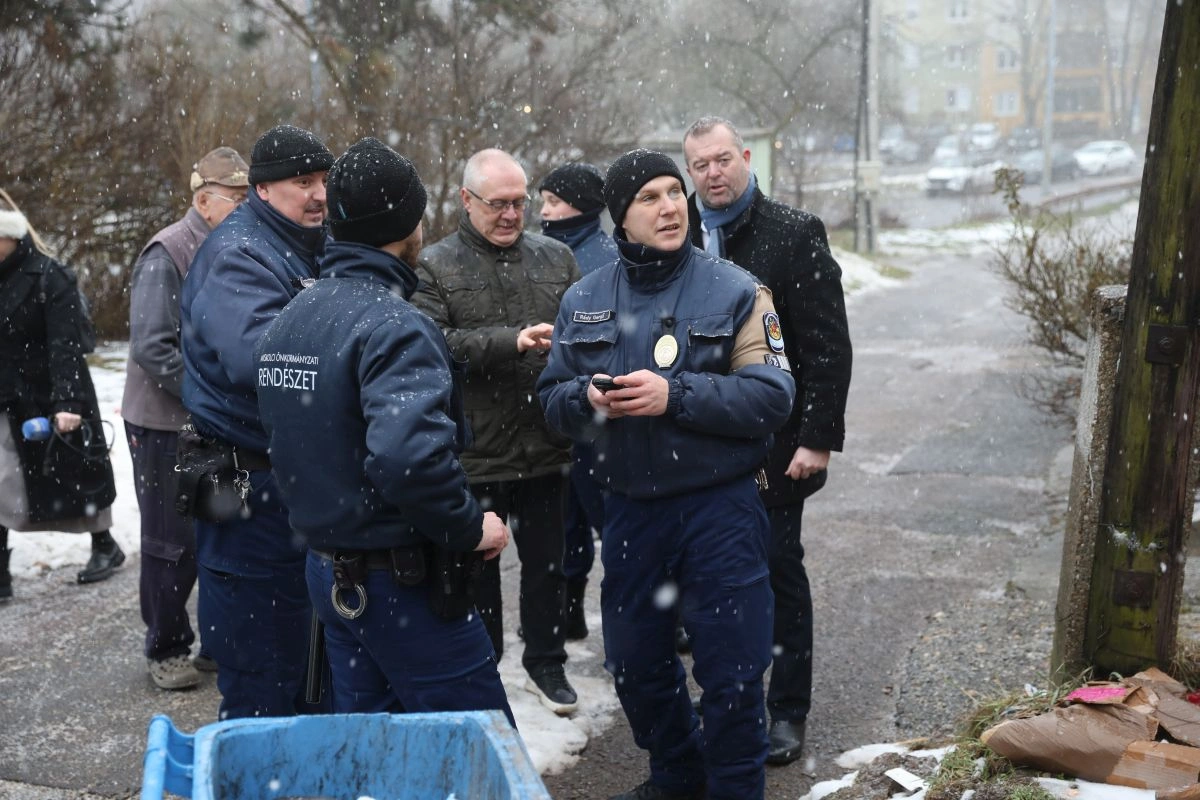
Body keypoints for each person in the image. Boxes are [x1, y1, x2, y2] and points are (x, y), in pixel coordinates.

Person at [537, 149, 796, 800]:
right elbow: (550, 398)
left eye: (674, 193)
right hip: (630, 513)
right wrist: (585, 399)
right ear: (620, 218)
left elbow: (772, 396)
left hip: (719, 510)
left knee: (733, 672)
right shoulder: (584, 297)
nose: (670, 207)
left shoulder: (737, 290)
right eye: (649, 198)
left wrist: (674, 396)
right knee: (634, 664)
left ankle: (734, 789)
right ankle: (678, 775)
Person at [255, 137, 515, 722]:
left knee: (375, 748)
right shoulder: (396, 325)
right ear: (409, 226)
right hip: (400, 584)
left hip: (330, 572)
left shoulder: (292, 317)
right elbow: (407, 459)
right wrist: (469, 527)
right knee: (477, 749)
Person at [683, 116, 853, 766]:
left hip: (777, 442)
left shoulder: (793, 233)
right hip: (700, 439)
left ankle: (787, 710)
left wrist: (817, 437)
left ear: (746, 157)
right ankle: (730, 700)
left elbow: (826, 345)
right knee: (712, 575)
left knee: (777, 571)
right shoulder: (679, 231)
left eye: (723, 159)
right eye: (700, 164)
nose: (713, 173)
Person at [413, 148, 581, 716]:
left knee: (549, 565)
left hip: (547, 442)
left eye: (519, 203)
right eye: (498, 204)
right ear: (466, 200)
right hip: (475, 451)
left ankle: (547, 662)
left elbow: (588, 329)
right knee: (477, 568)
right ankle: (482, 667)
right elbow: (431, 344)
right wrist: (510, 342)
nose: (511, 215)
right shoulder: (435, 265)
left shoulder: (557, 257)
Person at [180, 124, 333, 719]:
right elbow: (261, 362)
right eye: (304, 182)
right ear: (262, 189)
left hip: (296, 480)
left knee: (313, 662)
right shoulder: (239, 254)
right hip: (250, 488)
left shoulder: (309, 241)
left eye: (324, 180)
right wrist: (352, 355)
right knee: (262, 666)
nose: (319, 194)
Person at [121, 147, 249, 690]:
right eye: (236, 197)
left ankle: (217, 643)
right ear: (203, 200)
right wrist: (210, 395)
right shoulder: (167, 251)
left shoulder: (235, 246)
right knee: (170, 541)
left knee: (223, 534)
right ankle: (167, 647)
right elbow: (153, 347)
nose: (245, 206)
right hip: (164, 423)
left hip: (214, 420)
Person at [0, 197, 123, 602]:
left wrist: (67, 403)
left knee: (75, 473)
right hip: (7, 394)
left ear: (9, 236)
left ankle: (104, 543)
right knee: (3, 481)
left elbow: (65, 345)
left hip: (49, 391)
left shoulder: (50, 277)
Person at [537, 162, 616, 640]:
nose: (544, 211)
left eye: (554, 202)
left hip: (594, 413)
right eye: (543, 201)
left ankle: (659, 620)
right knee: (569, 522)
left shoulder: (603, 258)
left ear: (581, 206)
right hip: (564, 408)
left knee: (609, 521)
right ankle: (569, 614)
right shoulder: (545, 251)